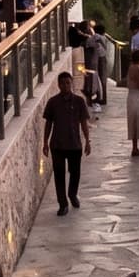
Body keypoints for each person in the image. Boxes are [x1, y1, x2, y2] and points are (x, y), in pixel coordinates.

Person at [42, 70, 92, 215]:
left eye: (68, 83)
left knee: (75, 172)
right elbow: (48, 123)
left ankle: (72, 194)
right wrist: (45, 142)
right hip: (57, 145)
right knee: (59, 174)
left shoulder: (79, 101)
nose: (65, 86)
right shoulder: (53, 102)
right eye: (62, 83)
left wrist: (87, 141)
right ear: (58, 85)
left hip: (74, 143)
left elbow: (84, 122)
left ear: (71, 84)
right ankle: (62, 203)